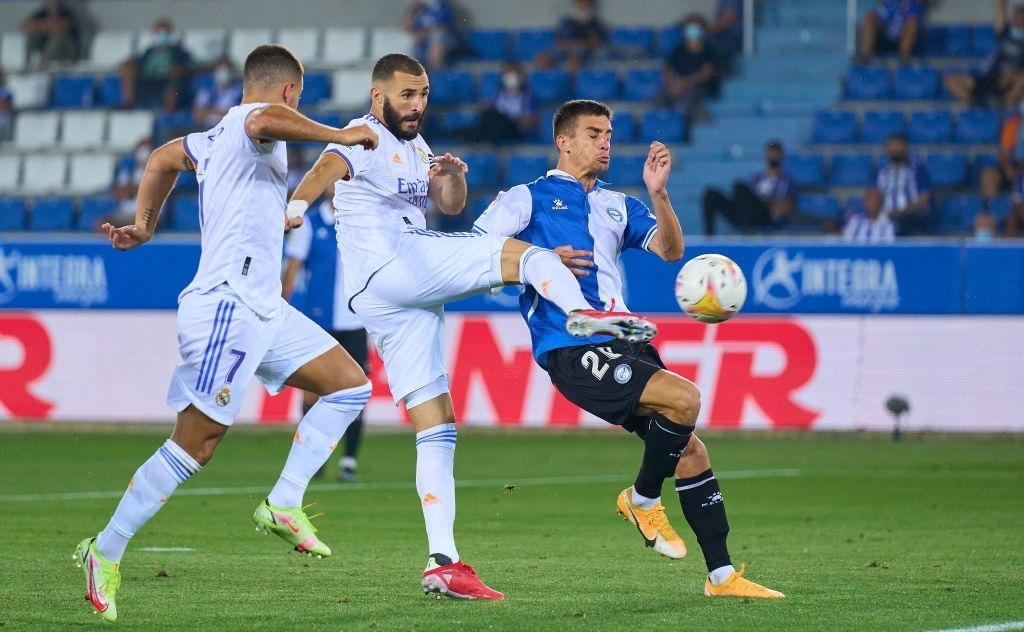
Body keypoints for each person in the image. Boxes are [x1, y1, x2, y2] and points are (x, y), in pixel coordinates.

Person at [288, 53, 654, 601]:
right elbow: (325, 169)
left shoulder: (416, 149)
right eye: (407, 94)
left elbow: (450, 207)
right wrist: (296, 205)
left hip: (390, 298)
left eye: (424, 94)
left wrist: (451, 178)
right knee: (528, 257)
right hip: (391, 264)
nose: (417, 105)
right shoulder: (363, 133)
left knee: (437, 425)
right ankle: (585, 314)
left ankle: (443, 561)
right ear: (377, 94)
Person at [74, 44, 380, 622]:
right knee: (198, 444)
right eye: (299, 95)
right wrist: (339, 134)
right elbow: (263, 118)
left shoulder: (212, 138)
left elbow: (164, 158)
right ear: (291, 90)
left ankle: (284, 502)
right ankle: (103, 551)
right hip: (226, 309)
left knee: (349, 385)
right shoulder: (251, 121)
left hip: (262, 307)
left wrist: (144, 226)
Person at [472, 98, 784, 599]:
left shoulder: (619, 204)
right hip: (571, 342)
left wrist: (659, 194)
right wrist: (540, 258)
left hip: (624, 339)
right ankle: (641, 499)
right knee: (685, 399)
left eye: (609, 135)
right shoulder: (525, 199)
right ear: (564, 141)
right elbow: (475, 250)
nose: (604, 143)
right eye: (594, 133)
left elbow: (670, 250)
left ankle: (722, 578)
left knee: (690, 451)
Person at [282, 182, 368, 482]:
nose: (337, 185)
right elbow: (292, 268)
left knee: (357, 391)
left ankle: (348, 462)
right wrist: (280, 308)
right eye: (333, 180)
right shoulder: (309, 223)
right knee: (311, 394)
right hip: (317, 321)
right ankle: (312, 460)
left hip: (355, 322)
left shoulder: (361, 223)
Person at [701, 140, 797, 235]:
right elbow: (744, 198)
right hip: (746, 213)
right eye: (770, 153)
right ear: (765, 155)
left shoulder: (787, 182)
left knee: (740, 187)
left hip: (766, 216)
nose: (772, 156)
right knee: (711, 194)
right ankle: (709, 237)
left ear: (782, 156)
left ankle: (747, 230)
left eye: (775, 153)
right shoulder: (756, 179)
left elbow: (786, 207)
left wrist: (764, 202)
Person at [944, 0, 1024, 107]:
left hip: (1012, 81)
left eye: (1021, 19)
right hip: (990, 77)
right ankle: (975, 103)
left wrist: (1013, 75)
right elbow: (1000, 7)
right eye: (1015, 18)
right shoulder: (1005, 33)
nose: (1017, 22)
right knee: (950, 79)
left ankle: (1004, 103)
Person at [120, 17, 196, 112]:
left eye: (165, 31)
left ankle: (166, 117)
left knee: (172, 87)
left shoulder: (178, 50)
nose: (161, 34)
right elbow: (139, 64)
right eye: (158, 31)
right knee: (128, 66)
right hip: (147, 81)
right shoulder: (149, 51)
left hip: (169, 82)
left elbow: (193, 65)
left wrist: (180, 70)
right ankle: (128, 104)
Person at [454, 61, 536, 144]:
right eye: (507, 75)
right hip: (497, 124)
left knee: (495, 119)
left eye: (513, 75)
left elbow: (531, 119)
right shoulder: (499, 94)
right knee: (487, 115)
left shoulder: (527, 97)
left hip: (514, 127)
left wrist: (517, 119)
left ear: (520, 77)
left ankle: (482, 139)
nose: (510, 79)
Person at [659, 14, 719, 118]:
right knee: (659, 100)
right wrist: (670, 87)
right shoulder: (679, 49)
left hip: (699, 89)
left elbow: (705, 74)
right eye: (690, 28)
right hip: (677, 87)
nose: (692, 32)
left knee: (684, 104)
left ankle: (680, 130)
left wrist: (684, 84)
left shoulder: (709, 51)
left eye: (696, 29)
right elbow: (668, 69)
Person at [875, 133, 933, 235]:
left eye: (898, 145)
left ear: (906, 149)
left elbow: (924, 199)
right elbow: (874, 196)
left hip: (910, 216)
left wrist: (901, 212)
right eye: (891, 146)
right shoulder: (881, 172)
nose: (894, 149)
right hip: (886, 216)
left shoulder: (917, 170)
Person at [401, 0, 462, 70]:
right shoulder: (416, 7)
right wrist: (413, 12)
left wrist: (424, 34)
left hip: (444, 39)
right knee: (405, 41)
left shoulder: (441, 6)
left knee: (436, 41)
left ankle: (436, 73)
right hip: (420, 38)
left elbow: (443, 28)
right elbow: (405, 28)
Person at [858, 0, 924, 64]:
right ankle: (865, 56)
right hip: (885, 39)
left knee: (912, 22)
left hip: (906, 44)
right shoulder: (890, 3)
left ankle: (904, 58)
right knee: (869, 17)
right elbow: (881, 18)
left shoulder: (914, 5)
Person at [20, 0, 80, 69]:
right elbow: (24, 27)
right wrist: (47, 26)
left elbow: (61, 27)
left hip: (67, 52)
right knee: (32, 34)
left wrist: (40, 26)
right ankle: (27, 63)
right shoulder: (41, 14)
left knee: (58, 35)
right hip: (49, 51)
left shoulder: (66, 13)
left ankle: (43, 64)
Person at [554, 0, 609, 71]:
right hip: (567, 51)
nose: (582, 8)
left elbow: (596, 43)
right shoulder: (566, 23)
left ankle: (579, 80)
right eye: (580, 5)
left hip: (588, 54)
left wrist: (579, 45)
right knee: (544, 58)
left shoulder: (596, 24)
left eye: (585, 6)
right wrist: (576, 45)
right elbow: (559, 42)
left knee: (576, 59)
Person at [192, 56, 243, 127]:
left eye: (226, 70)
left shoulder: (238, 92)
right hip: (205, 130)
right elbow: (198, 115)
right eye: (220, 70)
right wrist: (223, 112)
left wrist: (209, 111)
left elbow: (238, 116)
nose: (223, 73)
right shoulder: (206, 91)